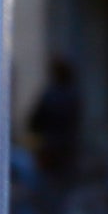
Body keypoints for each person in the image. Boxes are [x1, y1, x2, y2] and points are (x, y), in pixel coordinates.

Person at [29, 57, 84, 190]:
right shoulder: (74, 95)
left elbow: (34, 121)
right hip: (67, 149)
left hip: (50, 149)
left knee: (49, 189)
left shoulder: (50, 95)